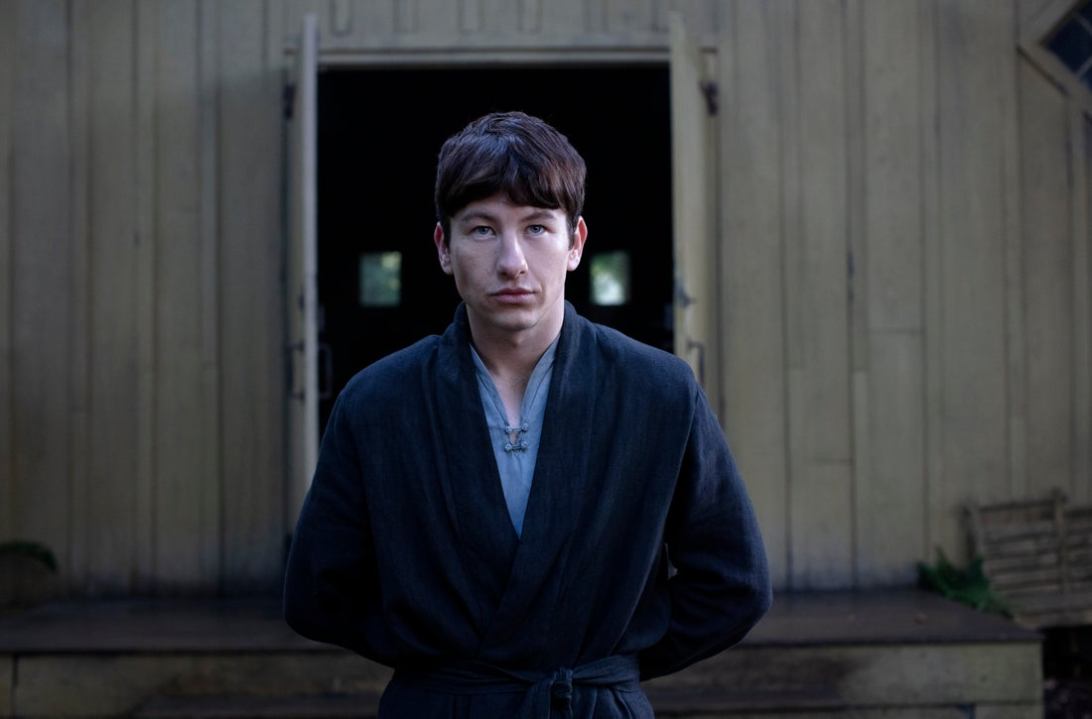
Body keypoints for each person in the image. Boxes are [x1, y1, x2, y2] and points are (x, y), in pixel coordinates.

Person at [283, 111, 771, 718]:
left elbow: (736, 584)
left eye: (537, 227)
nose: (512, 260)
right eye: (482, 229)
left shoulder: (659, 392)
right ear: (444, 247)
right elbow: (317, 592)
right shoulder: (378, 402)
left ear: (576, 243)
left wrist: (607, 665)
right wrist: (441, 663)